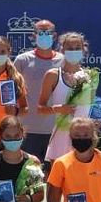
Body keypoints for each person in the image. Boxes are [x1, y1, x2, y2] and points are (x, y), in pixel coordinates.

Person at [38, 31, 94, 164]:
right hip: (61, 137)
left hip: (84, 137)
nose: (73, 51)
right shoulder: (52, 75)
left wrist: (95, 121)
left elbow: (92, 107)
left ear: (83, 50)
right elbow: (41, 108)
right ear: (62, 50)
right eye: (70, 48)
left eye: (77, 48)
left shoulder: (90, 75)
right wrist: (57, 109)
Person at [14, 19, 63, 164]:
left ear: (54, 36)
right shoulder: (22, 60)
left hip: (56, 130)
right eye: (40, 32)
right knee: (29, 175)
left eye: (47, 32)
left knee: (54, 177)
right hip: (28, 129)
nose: (44, 36)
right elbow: (12, 90)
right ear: (33, 35)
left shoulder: (64, 61)